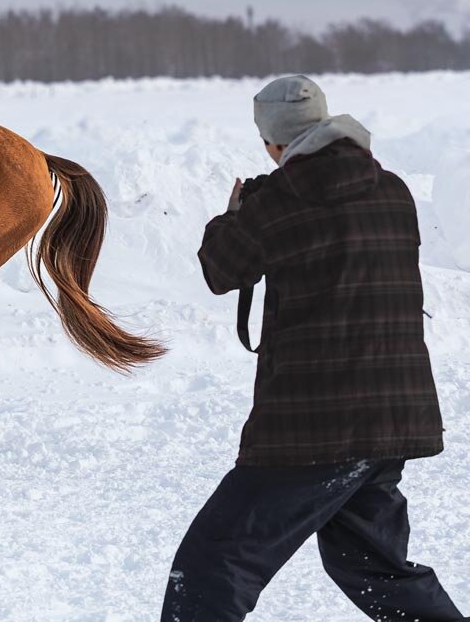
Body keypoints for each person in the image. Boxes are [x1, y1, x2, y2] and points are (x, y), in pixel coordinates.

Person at [161, 75, 461, 621]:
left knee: (212, 564)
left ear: (274, 144)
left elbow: (220, 269)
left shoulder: (278, 199)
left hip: (316, 425)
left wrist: (234, 213)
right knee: (372, 568)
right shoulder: (392, 189)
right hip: (393, 415)